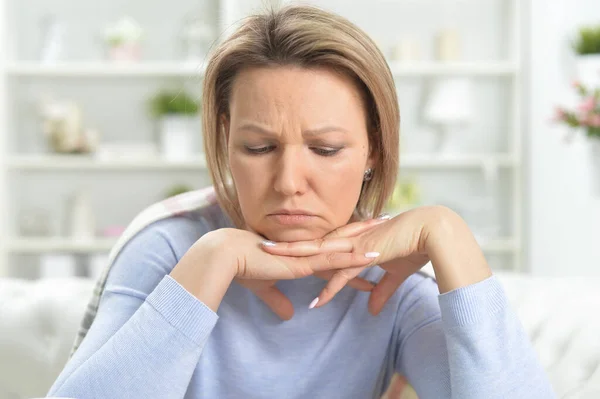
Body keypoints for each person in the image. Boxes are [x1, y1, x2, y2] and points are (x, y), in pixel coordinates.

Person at [47, 5, 555, 399]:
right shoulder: (169, 248)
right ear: (225, 140)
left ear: (373, 148)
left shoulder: (389, 282)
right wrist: (211, 262)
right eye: (259, 148)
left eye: (326, 149)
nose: (289, 181)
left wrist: (450, 234)